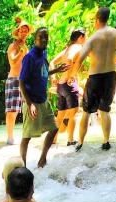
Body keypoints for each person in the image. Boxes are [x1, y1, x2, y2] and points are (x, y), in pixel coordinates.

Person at [73, 6, 116, 151]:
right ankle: (106, 141)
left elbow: (80, 59)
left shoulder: (93, 38)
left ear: (97, 19)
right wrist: (114, 61)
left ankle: (80, 143)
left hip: (95, 76)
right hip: (111, 75)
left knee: (86, 111)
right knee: (105, 110)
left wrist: (73, 75)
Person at [18, 27, 70, 168]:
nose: (44, 40)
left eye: (46, 37)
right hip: (32, 101)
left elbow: (42, 72)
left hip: (43, 100)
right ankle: (23, 165)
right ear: (35, 39)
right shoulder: (29, 57)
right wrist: (29, 104)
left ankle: (42, 160)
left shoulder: (43, 53)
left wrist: (56, 70)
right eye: (41, 37)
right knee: (26, 136)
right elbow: (21, 81)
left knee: (54, 129)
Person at [52, 29, 86, 146]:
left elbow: (52, 62)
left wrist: (53, 79)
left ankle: (53, 140)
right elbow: (71, 59)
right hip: (68, 84)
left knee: (60, 115)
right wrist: (70, 76)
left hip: (61, 85)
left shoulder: (67, 49)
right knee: (73, 113)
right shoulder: (77, 47)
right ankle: (70, 140)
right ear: (81, 37)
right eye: (85, 37)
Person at [4, 21, 31, 145]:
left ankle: (26, 136)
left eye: (26, 31)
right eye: (22, 31)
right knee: (12, 111)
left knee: (28, 109)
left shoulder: (26, 47)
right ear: (18, 32)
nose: (24, 33)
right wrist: (21, 52)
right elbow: (13, 63)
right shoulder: (13, 46)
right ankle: (10, 138)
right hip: (14, 80)